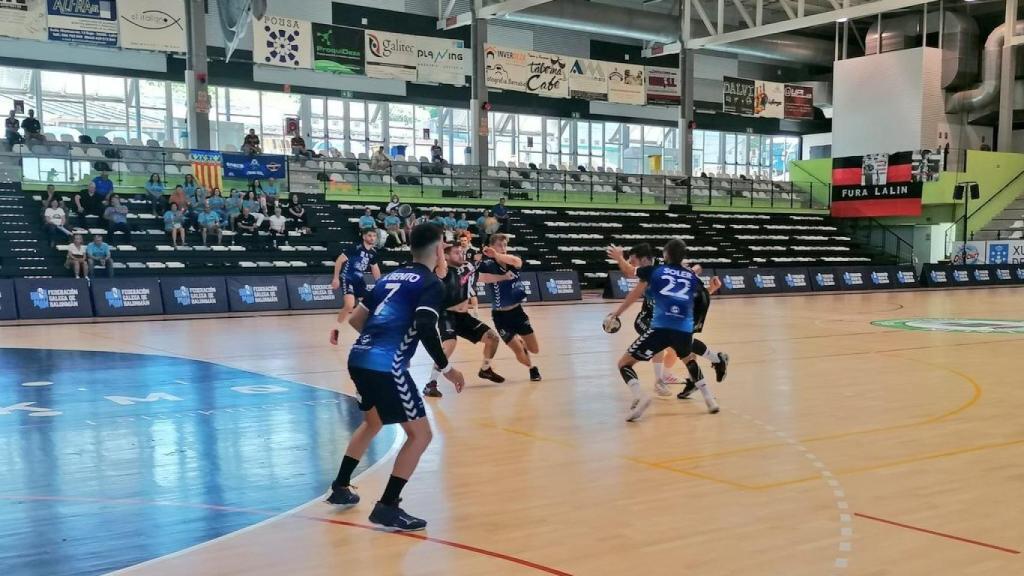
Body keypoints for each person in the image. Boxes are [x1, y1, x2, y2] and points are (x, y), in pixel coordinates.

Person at [325, 223, 466, 532]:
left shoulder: (390, 276)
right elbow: (426, 326)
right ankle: (387, 507)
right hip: (386, 367)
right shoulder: (430, 283)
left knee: (372, 422)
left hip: (359, 358)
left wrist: (379, 341)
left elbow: (357, 319)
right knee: (421, 435)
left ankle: (340, 486)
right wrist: (447, 369)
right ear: (439, 250)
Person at [613, 239, 721, 422]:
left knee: (624, 364)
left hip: (661, 327)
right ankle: (710, 400)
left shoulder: (657, 270)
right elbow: (702, 297)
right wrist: (711, 289)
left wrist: (619, 257)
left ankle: (641, 396)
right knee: (689, 359)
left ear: (665, 255)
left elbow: (629, 271)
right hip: (684, 329)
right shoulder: (690, 276)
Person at [422, 243, 505, 398]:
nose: (461, 255)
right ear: (446, 256)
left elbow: (483, 277)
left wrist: (504, 276)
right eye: (456, 253)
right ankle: (430, 384)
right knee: (448, 347)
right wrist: (440, 246)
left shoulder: (468, 267)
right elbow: (438, 257)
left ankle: (485, 369)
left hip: (464, 317)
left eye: (462, 252)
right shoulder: (442, 270)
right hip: (447, 315)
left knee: (493, 338)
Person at [476, 233, 541, 381]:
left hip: (517, 312)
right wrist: (501, 275)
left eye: (505, 245)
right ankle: (532, 368)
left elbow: (517, 261)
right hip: (500, 316)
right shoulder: (488, 264)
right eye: (499, 245)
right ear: (491, 246)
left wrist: (496, 254)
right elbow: (480, 278)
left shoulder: (512, 259)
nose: (503, 248)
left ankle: (523, 345)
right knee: (518, 350)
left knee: (534, 349)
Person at [329, 228, 382, 345]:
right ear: (364, 236)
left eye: (374, 236)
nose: (372, 238)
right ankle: (335, 330)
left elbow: (375, 268)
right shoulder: (355, 247)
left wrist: (379, 283)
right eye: (369, 235)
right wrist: (335, 278)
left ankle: (368, 334)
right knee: (349, 305)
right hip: (347, 277)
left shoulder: (373, 253)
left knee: (370, 306)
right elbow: (339, 261)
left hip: (359, 280)